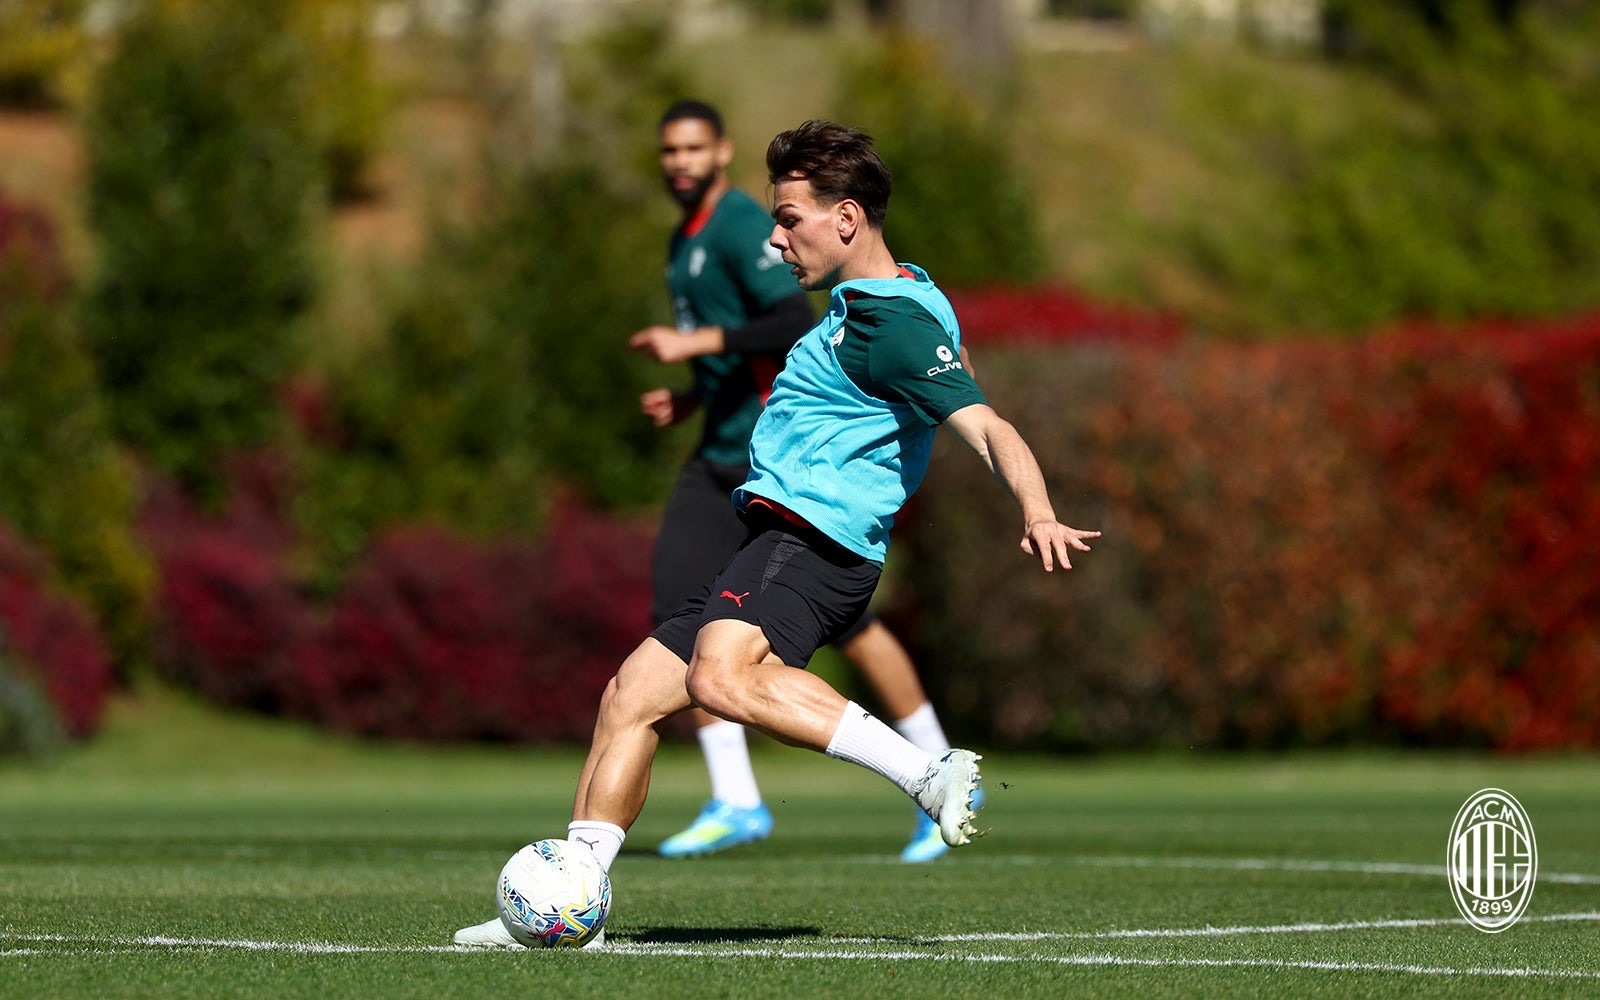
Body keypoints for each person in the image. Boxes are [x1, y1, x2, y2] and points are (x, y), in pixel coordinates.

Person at [455, 119, 1099, 950]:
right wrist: (700, 401)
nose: (775, 238)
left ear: (846, 218)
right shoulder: (878, 302)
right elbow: (939, 368)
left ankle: (926, 774)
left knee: (720, 679)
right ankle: (572, 897)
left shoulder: (892, 323)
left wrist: (1036, 509)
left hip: (815, 542)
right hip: (774, 541)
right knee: (630, 696)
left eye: (789, 219)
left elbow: (986, 423)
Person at [629, 99, 963, 864]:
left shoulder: (745, 228)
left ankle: (931, 766)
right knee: (691, 614)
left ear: (722, 152)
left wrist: (694, 345)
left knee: (834, 626)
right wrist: (695, 396)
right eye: (668, 150)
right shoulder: (686, 240)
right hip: (729, 453)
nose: (679, 162)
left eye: (693, 148)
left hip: (791, 468)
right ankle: (739, 796)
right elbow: (754, 352)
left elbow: (788, 325)